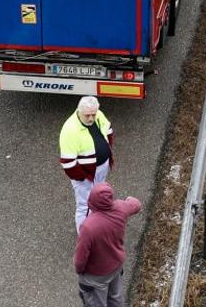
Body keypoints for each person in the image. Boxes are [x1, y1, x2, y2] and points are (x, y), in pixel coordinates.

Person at [73, 182, 141, 307]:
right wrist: (127, 200)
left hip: (95, 275)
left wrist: (80, 270)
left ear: (92, 201)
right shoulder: (121, 208)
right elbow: (136, 204)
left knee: (96, 303)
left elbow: (80, 258)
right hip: (116, 266)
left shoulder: (88, 227)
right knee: (116, 299)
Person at [60, 96, 114, 232]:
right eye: (87, 115)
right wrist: (84, 179)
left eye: (93, 114)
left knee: (99, 196)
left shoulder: (98, 115)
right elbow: (68, 163)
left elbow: (108, 129)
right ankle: (85, 236)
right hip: (85, 175)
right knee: (84, 205)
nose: (91, 118)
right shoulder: (69, 130)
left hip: (101, 168)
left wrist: (107, 152)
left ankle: (96, 225)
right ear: (79, 111)